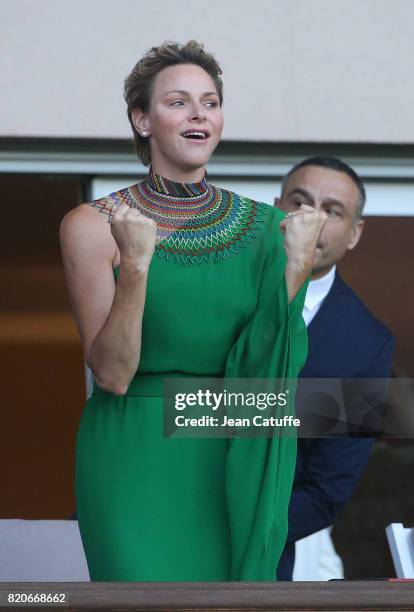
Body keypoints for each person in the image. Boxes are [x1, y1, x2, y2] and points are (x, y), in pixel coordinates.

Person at [60, 41, 327, 582]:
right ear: (142, 119)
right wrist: (135, 265)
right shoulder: (91, 225)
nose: (199, 113)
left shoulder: (265, 230)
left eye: (210, 102)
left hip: (228, 454)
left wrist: (296, 270)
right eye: (179, 102)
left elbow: (270, 365)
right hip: (131, 455)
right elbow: (111, 374)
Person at [275, 156, 395, 580]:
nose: (312, 218)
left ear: (355, 233)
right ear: (276, 207)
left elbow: (329, 490)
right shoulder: (219, 293)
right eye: (299, 201)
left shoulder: (366, 345)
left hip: (264, 558)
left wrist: (250, 528)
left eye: (333, 210)